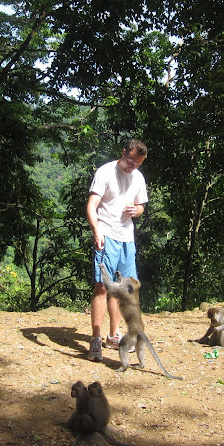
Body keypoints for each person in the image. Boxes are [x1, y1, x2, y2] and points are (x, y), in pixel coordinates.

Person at [86, 139, 148, 361]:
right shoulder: (105, 172)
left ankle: (114, 335)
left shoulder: (138, 177)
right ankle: (95, 339)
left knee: (123, 289)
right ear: (123, 153)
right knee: (102, 287)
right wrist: (96, 231)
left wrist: (137, 210)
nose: (132, 168)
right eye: (130, 162)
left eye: (137, 165)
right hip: (106, 235)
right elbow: (91, 206)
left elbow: (141, 206)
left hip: (126, 239)